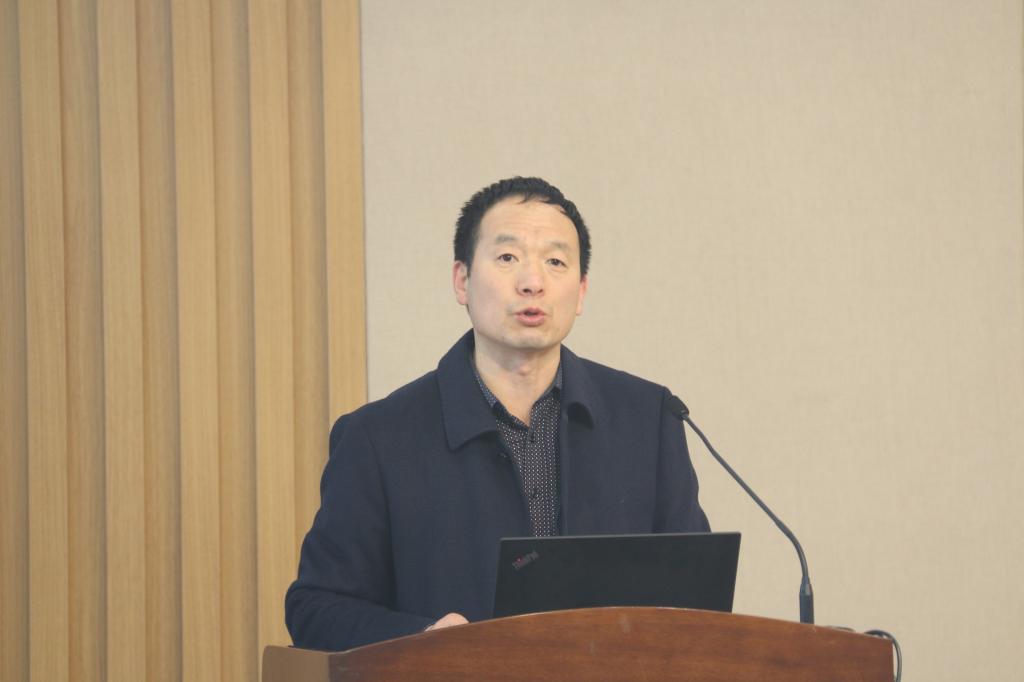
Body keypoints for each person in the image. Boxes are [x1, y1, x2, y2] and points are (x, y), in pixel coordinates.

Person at [285, 176, 709, 651]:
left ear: (581, 292)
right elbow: (316, 608)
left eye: (555, 261)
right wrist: (424, 641)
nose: (532, 282)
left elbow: (696, 600)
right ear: (461, 280)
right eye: (508, 257)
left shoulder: (648, 421)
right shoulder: (378, 438)